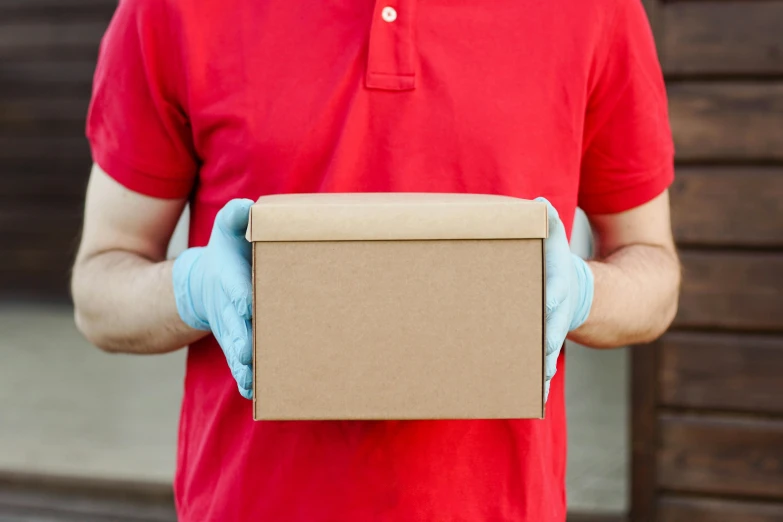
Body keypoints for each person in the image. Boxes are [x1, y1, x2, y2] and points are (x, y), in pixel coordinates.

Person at [71, 0, 681, 519]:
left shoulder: (593, 10)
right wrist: (194, 288)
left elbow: (653, 272)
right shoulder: (172, 9)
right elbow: (100, 290)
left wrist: (580, 292)